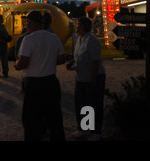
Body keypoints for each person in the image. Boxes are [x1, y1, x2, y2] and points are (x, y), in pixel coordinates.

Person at [14, 11, 66, 141]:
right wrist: (47, 62)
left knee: (31, 120)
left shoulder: (28, 39)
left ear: (30, 23)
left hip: (34, 84)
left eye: (26, 23)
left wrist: (17, 64)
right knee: (54, 118)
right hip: (51, 82)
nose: (26, 26)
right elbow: (61, 59)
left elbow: (23, 62)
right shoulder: (54, 37)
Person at [66, 17, 106, 141]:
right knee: (81, 103)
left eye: (78, 24)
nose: (76, 27)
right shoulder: (79, 39)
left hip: (93, 77)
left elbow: (95, 61)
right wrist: (72, 62)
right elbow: (79, 56)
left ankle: (96, 132)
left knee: (94, 103)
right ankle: (83, 128)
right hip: (81, 77)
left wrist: (93, 78)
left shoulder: (92, 40)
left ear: (83, 26)